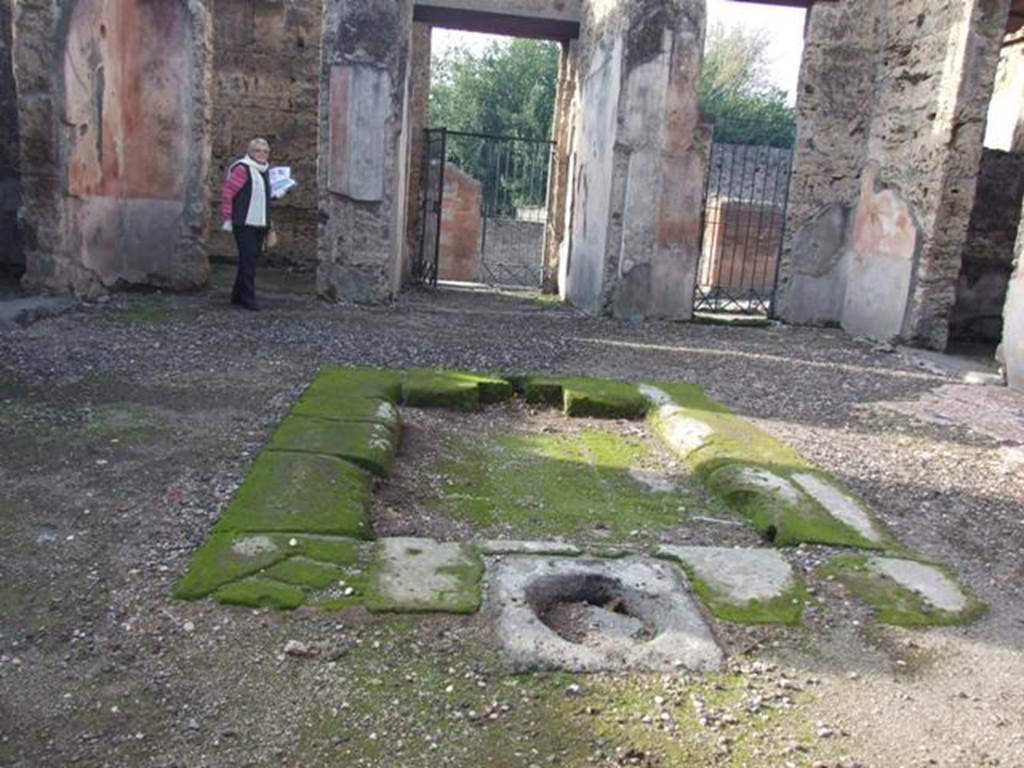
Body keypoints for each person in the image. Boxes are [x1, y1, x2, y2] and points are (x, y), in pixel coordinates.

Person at [221, 138, 273, 311]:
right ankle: (248, 298)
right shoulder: (242, 169)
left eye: (265, 151)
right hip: (244, 222)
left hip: (260, 221)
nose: (262, 154)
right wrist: (227, 217)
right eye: (258, 151)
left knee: (249, 259)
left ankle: (237, 295)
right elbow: (228, 192)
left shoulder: (265, 170)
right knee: (248, 259)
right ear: (250, 152)